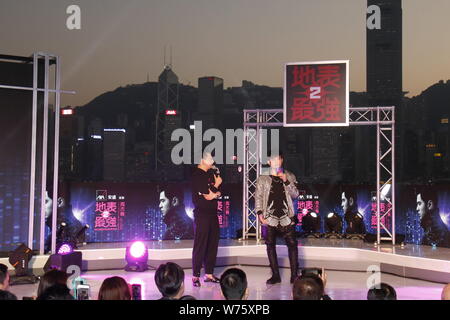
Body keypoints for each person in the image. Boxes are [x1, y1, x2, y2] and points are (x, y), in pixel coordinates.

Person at [255, 151, 299, 284]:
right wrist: (259, 213)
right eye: (273, 159)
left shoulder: (289, 175)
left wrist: (286, 181)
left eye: (278, 159)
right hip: (269, 217)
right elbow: (258, 197)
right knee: (270, 246)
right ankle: (275, 275)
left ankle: (294, 275)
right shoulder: (263, 178)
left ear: (281, 160)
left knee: (292, 245)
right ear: (269, 162)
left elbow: (295, 195)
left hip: (287, 216)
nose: (276, 161)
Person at [191, 152, 222, 287]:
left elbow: (219, 193)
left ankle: (209, 274)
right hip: (202, 214)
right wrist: (216, 186)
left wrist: (215, 191)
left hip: (212, 214)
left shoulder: (211, 173)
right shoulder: (197, 175)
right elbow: (208, 196)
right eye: (209, 158)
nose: (212, 161)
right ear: (202, 160)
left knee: (212, 243)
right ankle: (195, 275)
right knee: (201, 244)